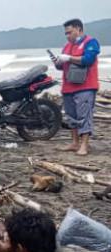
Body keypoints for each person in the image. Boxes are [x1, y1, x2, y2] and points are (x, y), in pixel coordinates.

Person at [55, 18, 101, 156]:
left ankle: (84, 145)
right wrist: (58, 62)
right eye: (66, 33)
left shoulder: (90, 42)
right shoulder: (67, 46)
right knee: (71, 116)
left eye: (69, 32)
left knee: (84, 115)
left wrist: (69, 58)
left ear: (78, 29)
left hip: (85, 86)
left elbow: (88, 60)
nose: (67, 36)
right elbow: (62, 67)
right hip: (68, 86)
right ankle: (75, 142)